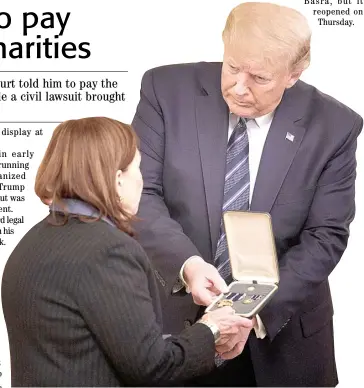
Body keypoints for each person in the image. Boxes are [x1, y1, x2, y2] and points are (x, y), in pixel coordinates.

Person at [131, 2, 363, 387]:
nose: (238, 86)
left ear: (294, 74)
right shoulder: (164, 90)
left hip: (281, 340)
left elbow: (326, 236)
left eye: (259, 77)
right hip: (177, 330)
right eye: (232, 66)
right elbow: (140, 193)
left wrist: (249, 313)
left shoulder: (335, 126)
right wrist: (187, 264)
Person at [1, 117, 254, 387]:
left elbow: (105, 347)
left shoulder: (31, 243)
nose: (142, 182)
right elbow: (152, 367)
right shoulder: (109, 250)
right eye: (138, 168)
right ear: (117, 178)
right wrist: (212, 327)